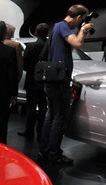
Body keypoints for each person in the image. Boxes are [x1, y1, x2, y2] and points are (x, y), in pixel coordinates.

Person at [39, 4, 93, 163]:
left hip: (52, 79)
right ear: (78, 17)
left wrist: (81, 32)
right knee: (59, 117)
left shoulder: (57, 27)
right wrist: (83, 30)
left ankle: (44, 151)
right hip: (60, 80)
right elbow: (77, 44)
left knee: (50, 116)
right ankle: (54, 154)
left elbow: (71, 46)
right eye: (81, 20)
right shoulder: (63, 26)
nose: (80, 23)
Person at [19, 23, 49, 140]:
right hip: (46, 81)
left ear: (36, 33)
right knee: (43, 107)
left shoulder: (31, 46)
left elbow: (25, 64)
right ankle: (41, 131)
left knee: (31, 107)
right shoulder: (50, 47)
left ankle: (29, 130)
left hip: (32, 80)